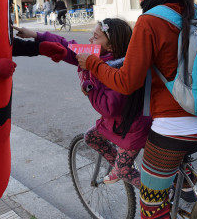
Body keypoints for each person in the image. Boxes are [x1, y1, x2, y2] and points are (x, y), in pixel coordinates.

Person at [76, 0, 197, 219]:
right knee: (165, 169)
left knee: (151, 205)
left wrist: (93, 65)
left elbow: (125, 82)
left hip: (176, 126)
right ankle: (188, 185)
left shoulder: (150, 21)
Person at [14, 19, 152, 188]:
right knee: (91, 137)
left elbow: (109, 107)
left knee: (124, 171)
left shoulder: (117, 68)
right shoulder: (95, 55)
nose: (90, 40)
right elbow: (67, 46)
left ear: (111, 47)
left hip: (132, 128)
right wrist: (35, 35)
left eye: (95, 37)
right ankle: (120, 163)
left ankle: (157, 195)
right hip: (118, 124)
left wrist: (89, 89)